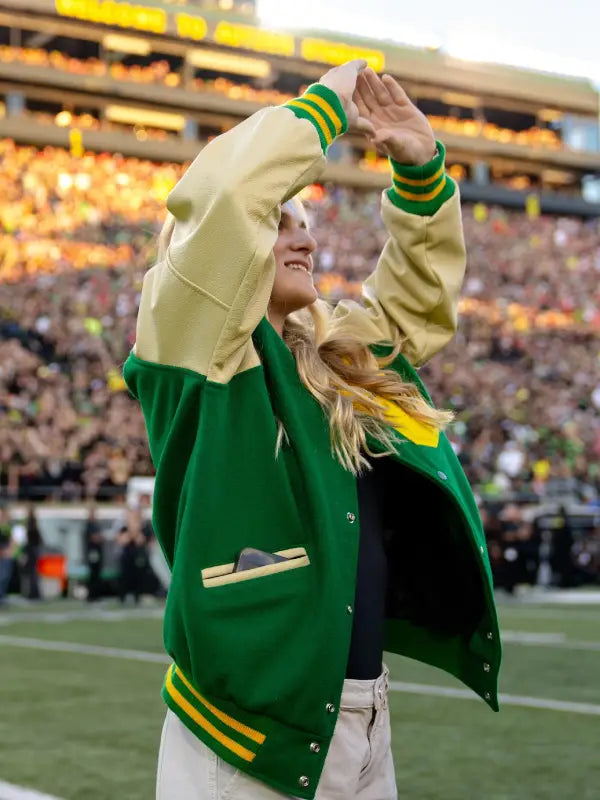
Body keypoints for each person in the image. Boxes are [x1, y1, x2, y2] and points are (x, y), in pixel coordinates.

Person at [125, 61, 502, 800]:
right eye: (281, 224)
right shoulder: (191, 344)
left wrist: (420, 171)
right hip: (246, 738)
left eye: (306, 226)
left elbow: (414, 307)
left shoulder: (329, 357)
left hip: (363, 717)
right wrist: (325, 107)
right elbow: (228, 194)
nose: (305, 242)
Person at [116, 507, 147, 604]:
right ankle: (123, 597)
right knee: (125, 577)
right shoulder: (123, 529)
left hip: (136, 556)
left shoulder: (141, 528)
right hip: (126, 556)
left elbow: (140, 541)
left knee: (137, 577)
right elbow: (122, 541)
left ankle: (136, 596)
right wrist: (131, 531)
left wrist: (135, 530)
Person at [21, 506, 43, 600]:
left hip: (32, 552)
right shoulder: (31, 525)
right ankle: (33, 593)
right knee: (32, 574)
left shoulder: (31, 525)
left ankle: (33, 593)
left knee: (33, 574)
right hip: (32, 552)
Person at [84, 504, 104, 602]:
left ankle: (96, 595)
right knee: (93, 574)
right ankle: (91, 596)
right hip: (92, 552)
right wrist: (98, 537)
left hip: (98, 552)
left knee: (97, 574)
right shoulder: (89, 525)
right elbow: (94, 538)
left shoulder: (96, 524)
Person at [0, 504, 15, 606]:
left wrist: (10, 550)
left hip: (7, 555)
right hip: (1, 555)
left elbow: (11, 540)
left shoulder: (7, 526)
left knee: (6, 576)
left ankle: (2, 596)